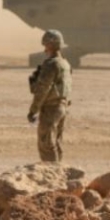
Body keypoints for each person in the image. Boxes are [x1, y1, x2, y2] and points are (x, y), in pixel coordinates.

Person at [28, 29, 72, 162]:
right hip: (62, 106)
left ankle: (51, 174)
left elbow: (42, 90)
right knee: (56, 142)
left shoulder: (51, 64)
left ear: (49, 45)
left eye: (45, 44)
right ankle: (59, 173)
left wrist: (33, 111)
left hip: (51, 108)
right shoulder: (65, 63)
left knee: (46, 143)